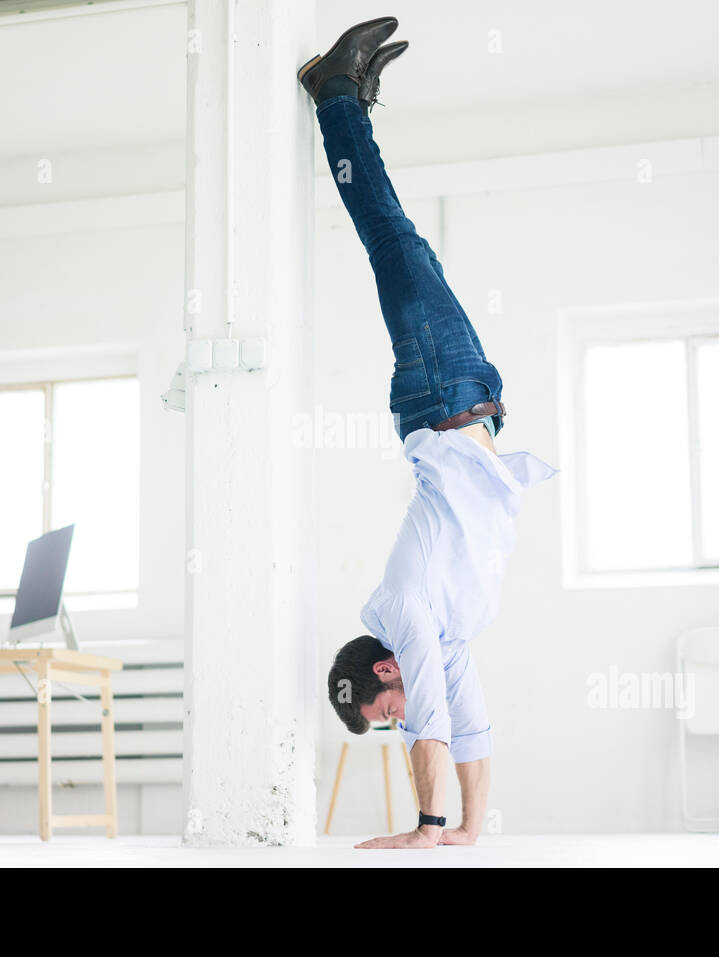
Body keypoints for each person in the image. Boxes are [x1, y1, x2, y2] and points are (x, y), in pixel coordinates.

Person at [301, 18, 557, 849]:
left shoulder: (409, 618)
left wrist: (424, 825)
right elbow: (470, 725)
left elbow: (431, 731)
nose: (399, 718)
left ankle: (336, 95)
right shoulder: (440, 635)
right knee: (401, 241)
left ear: (385, 671)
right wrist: (466, 833)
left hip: (440, 391)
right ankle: (351, 105)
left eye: (385, 709)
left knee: (389, 239)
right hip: (468, 394)